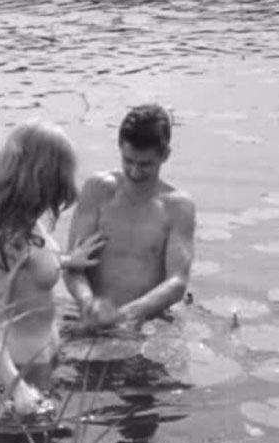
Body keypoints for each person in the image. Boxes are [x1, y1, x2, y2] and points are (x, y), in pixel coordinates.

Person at [0, 121, 105, 415]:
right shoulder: (9, 238)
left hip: (42, 357)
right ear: (44, 178)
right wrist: (18, 388)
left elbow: (33, 267)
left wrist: (69, 260)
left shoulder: (29, 224)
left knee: (51, 442)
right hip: (19, 367)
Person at [63, 104, 196, 328]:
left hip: (143, 323)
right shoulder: (97, 190)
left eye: (145, 165)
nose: (134, 172)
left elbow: (177, 282)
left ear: (165, 155)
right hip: (89, 315)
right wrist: (88, 302)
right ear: (120, 148)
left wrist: (124, 315)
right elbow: (73, 264)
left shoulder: (178, 207)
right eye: (128, 161)